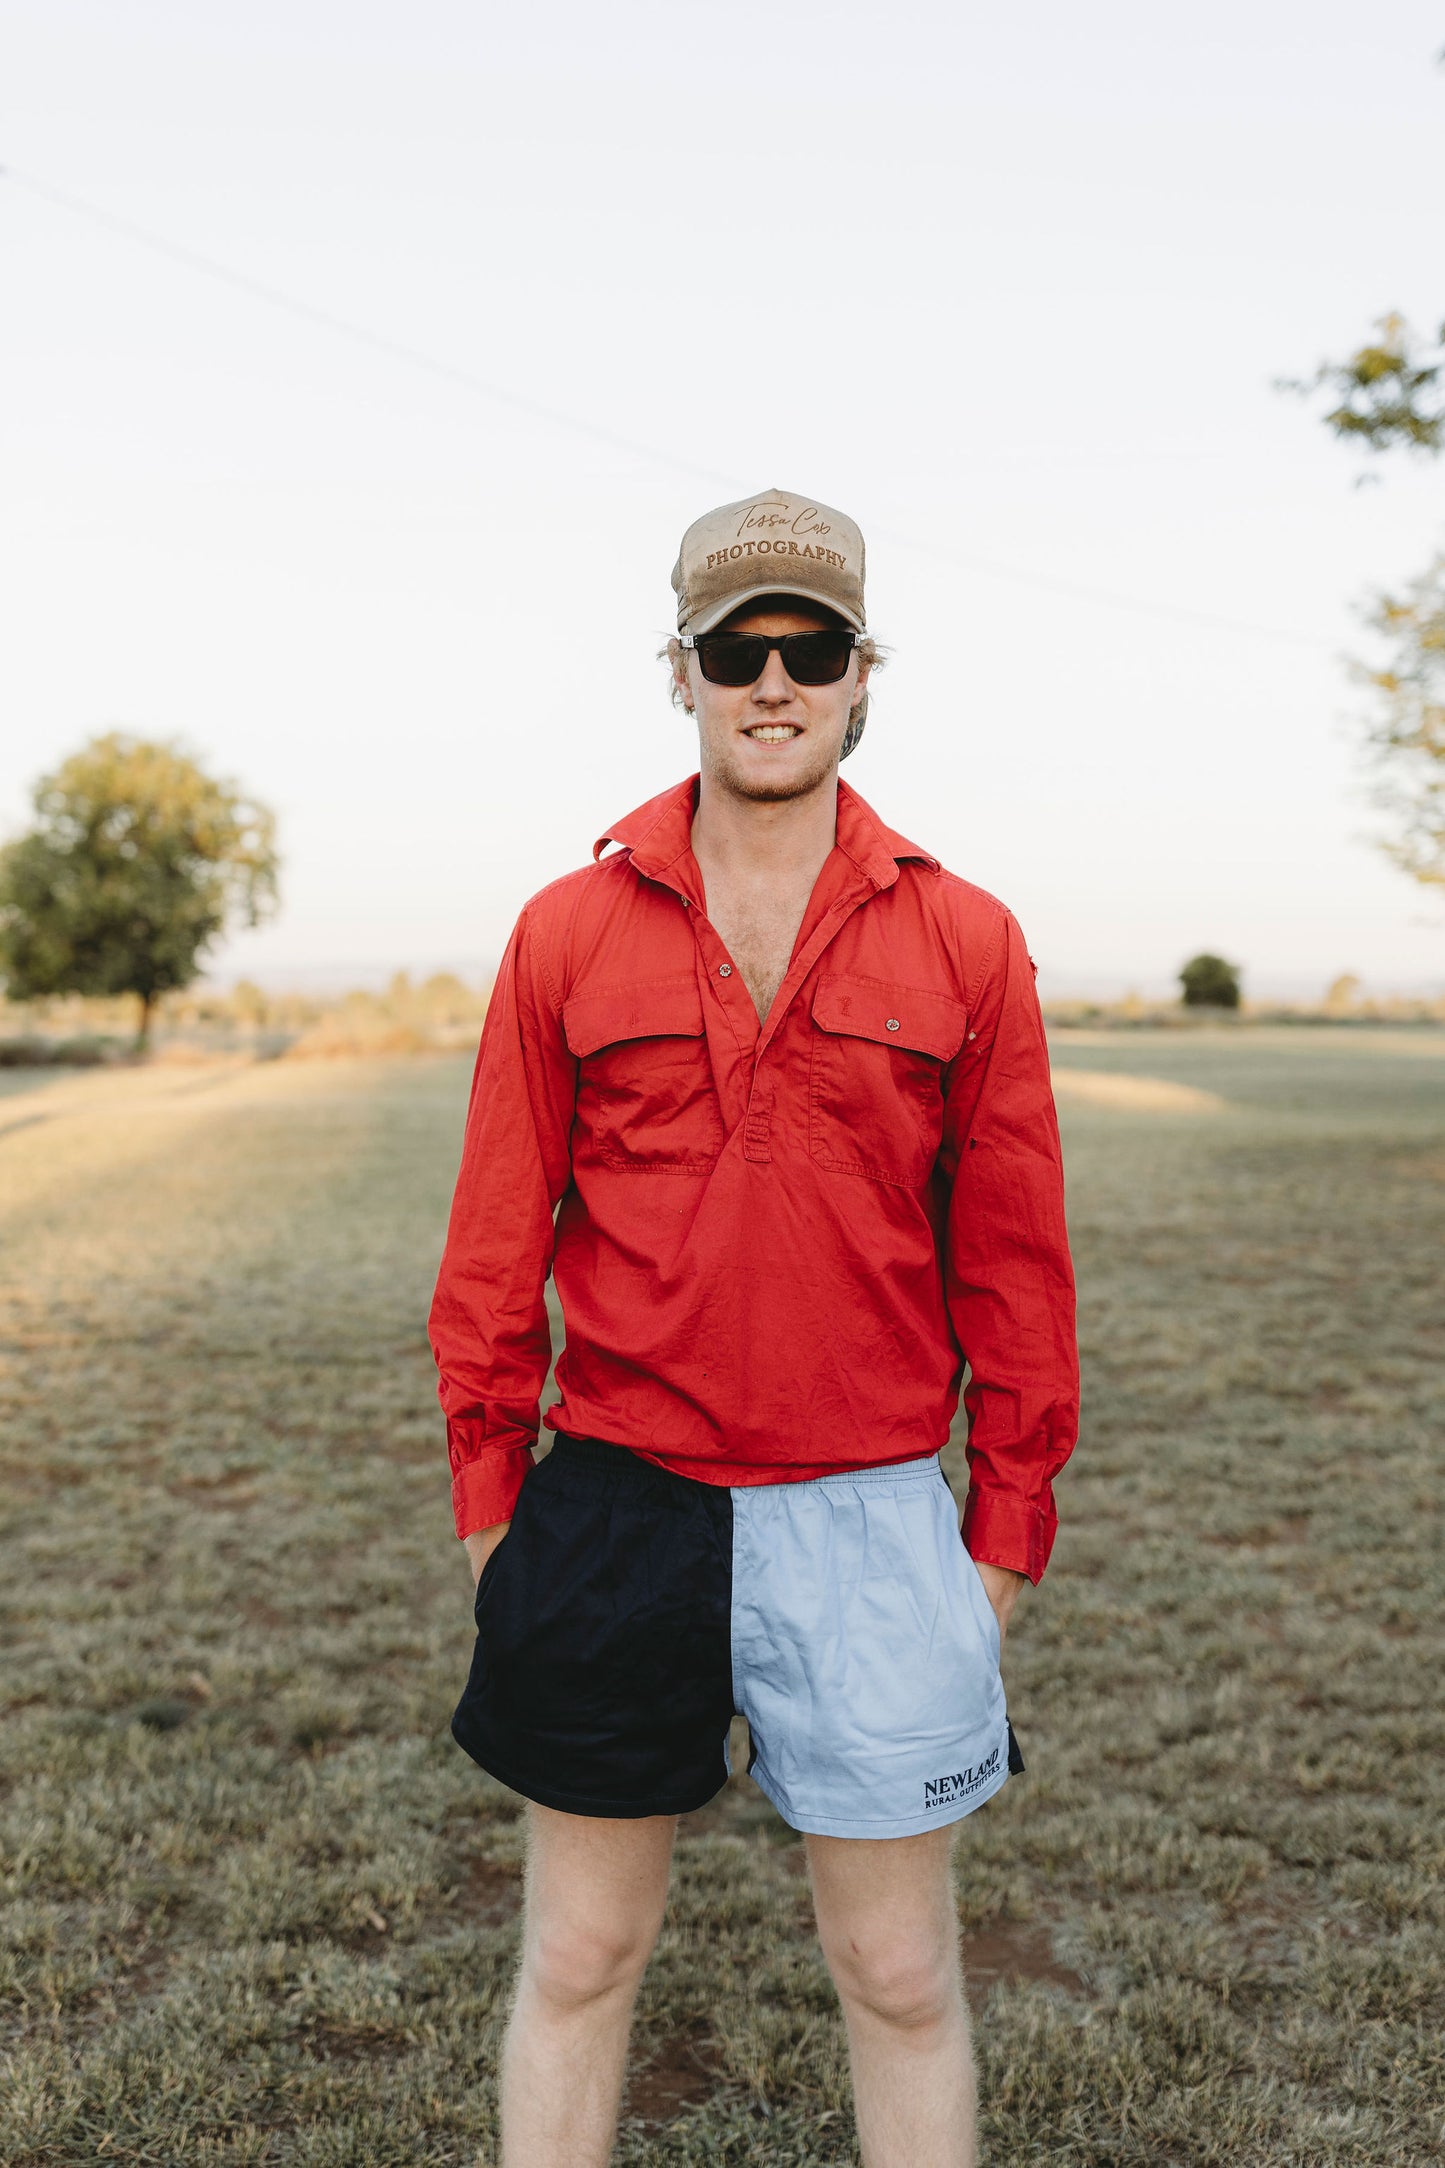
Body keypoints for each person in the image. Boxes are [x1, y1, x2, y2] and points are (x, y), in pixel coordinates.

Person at [429, 488, 1078, 2168]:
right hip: (616, 1503)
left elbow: (1015, 1263)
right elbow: (493, 1249)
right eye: (736, 649)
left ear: (862, 676)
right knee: (579, 1956)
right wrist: (496, 1510)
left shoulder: (965, 937)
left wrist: (998, 1532)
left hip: (867, 1513)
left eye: (809, 648)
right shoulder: (567, 931)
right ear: (681, 672)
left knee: (896, 1969)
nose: (771, 681)